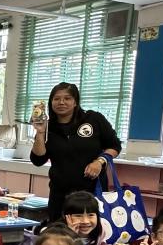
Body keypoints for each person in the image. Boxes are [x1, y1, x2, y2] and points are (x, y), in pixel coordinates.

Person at [29, 82, 121, 220]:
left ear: (75, 102)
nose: (61, 102)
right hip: (60, 195)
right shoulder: (48, 126)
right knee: (60, 231)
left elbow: (115, 145)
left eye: (67, 98)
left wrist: (99, 161)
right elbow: (38, 160)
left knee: (90, 229)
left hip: (92, 193)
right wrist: (40, 132)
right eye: (56, 98)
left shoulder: (93, 119)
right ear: (51, 102)